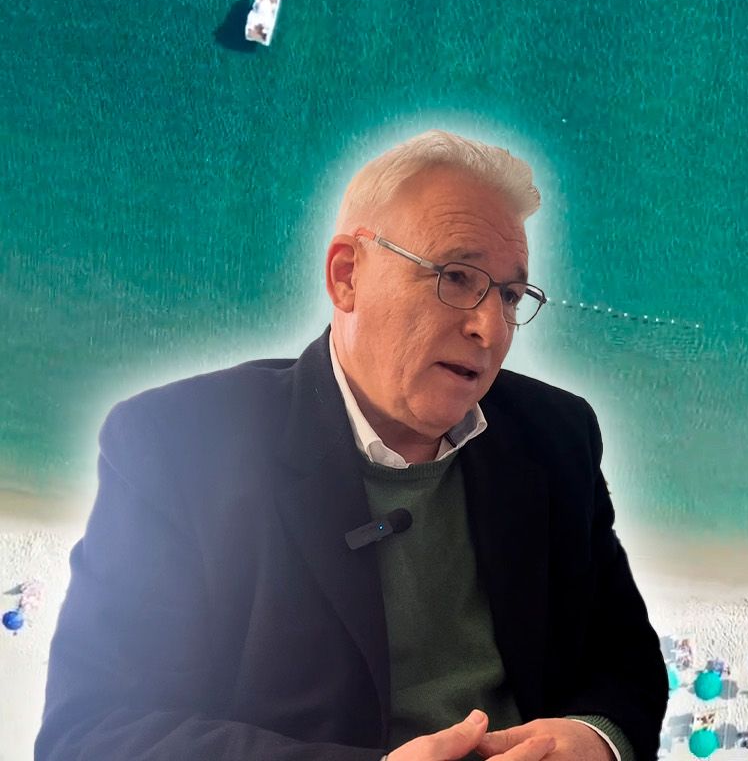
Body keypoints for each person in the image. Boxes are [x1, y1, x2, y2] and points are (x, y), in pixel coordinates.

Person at [38, 131, 667, 761]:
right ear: (347, 275)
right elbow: (92, 733)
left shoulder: (558, 434)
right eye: (456, 277)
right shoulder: (177, 445)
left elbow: (629, 665)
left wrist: (596, 739)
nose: (489, 327)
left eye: (509, 295)